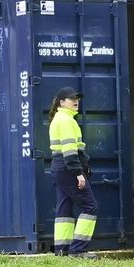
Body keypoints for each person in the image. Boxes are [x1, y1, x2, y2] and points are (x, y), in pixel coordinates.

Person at [47, 87, 98, 256]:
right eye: (71, 99)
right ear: (62, 102)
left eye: (77, 98)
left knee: (64, 208)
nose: (76, 101)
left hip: (59, 167)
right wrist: (78, 173)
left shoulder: (58, 119)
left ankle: (62, 249)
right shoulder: (67, 121)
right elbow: (70, 150)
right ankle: (78, 250)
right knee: (90, 206)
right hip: (68, 168)